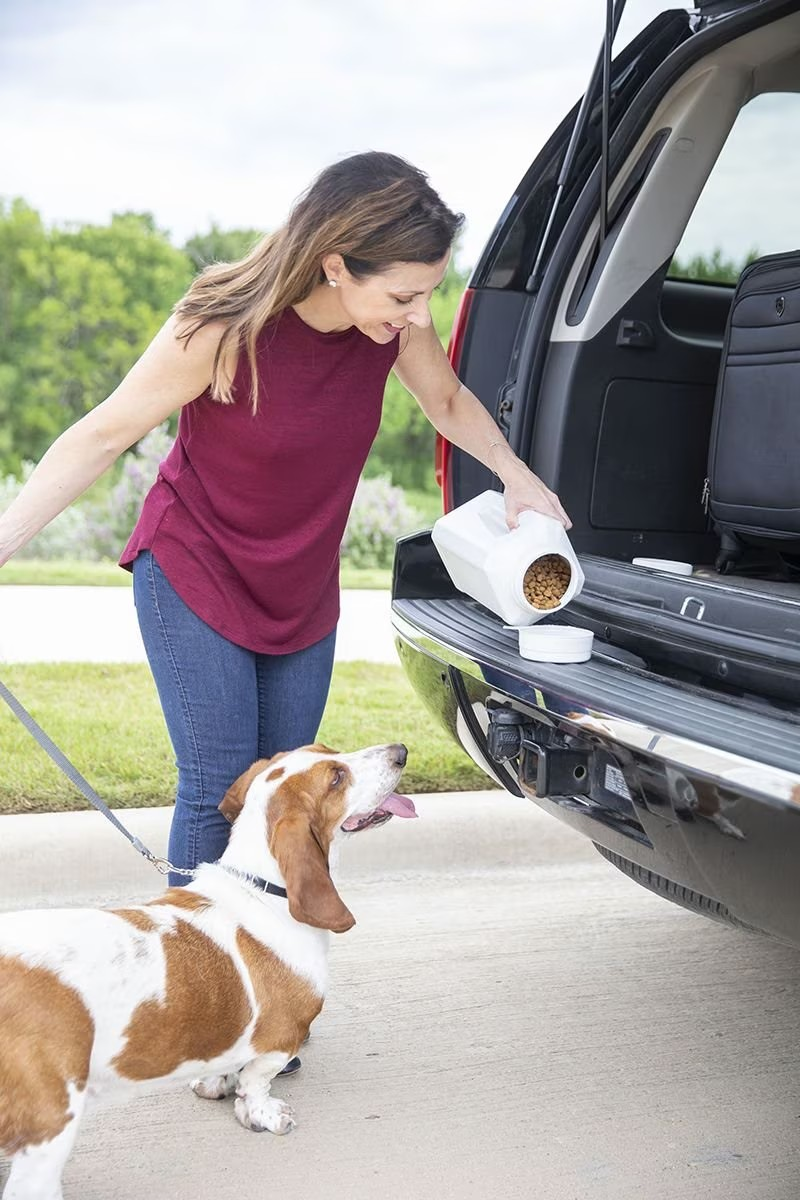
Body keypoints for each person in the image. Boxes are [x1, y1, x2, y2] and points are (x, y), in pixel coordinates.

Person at [0, 151, 570, 1068]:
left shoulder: (390, 327)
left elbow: (449, 400)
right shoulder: (223, 324)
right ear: (337, 263)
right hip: (196, 568)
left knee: (292, 796)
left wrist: (515, 475)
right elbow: (106, 430)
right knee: (218, 785)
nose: (417, 316)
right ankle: (197, 1010)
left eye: (428, 295)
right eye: (405, 295)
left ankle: (266, 997)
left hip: (301, 585)